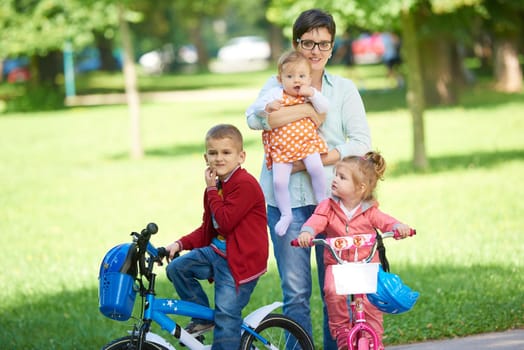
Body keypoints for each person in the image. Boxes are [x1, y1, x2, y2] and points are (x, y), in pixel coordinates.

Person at [246, 8, 372, 349]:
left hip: (330, 203)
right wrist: (302, 110)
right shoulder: (276, 84)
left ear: (332, 47)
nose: (315, 51)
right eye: (308, 43)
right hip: (284, 203)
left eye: (323, 44)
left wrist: (312, 160)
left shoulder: (343, 90)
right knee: (296, 294)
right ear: (295, 44)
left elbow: (361, 142)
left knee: (336, 288)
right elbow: (254, 120)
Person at [164, 124, 269, 350]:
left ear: (241, 156)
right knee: (177, 268)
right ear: (205, 157)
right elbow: (208, 229)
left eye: (226, 152)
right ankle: (202, 319)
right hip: (218, 252)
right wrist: (179, 243)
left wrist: (211, 190)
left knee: (226, 316)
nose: (219, 158)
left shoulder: (244, 184)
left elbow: (225, 222)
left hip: (241, 262)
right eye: (213, 153)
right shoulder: (216, 186)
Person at [296, 151, 413, 350]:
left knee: (370, 302)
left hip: (366, 264)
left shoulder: (369, 210)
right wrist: (306, 233)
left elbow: (385, 221)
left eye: (342, 177)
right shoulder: (328, 206)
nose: (335, 180)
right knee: (331, 292)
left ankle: (375, 338)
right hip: (338, 265)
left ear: (360, 188)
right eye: (335, 175)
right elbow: (316, 221)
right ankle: (341, 332)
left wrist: (398, 228)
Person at [246, 50, 329, 236]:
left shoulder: (309, 94)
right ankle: (286, 214)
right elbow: (254, 110)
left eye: (301, 76)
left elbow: (324, 108)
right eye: (290, 76)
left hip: (307, 143)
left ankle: (322, 202)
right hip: (282, 148)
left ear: (309, 78)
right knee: (279, 181)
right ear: (280, 79)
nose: (296, 81)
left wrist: (313, 95)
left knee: (316, 168)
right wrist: (266, 108)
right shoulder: (275, 93)